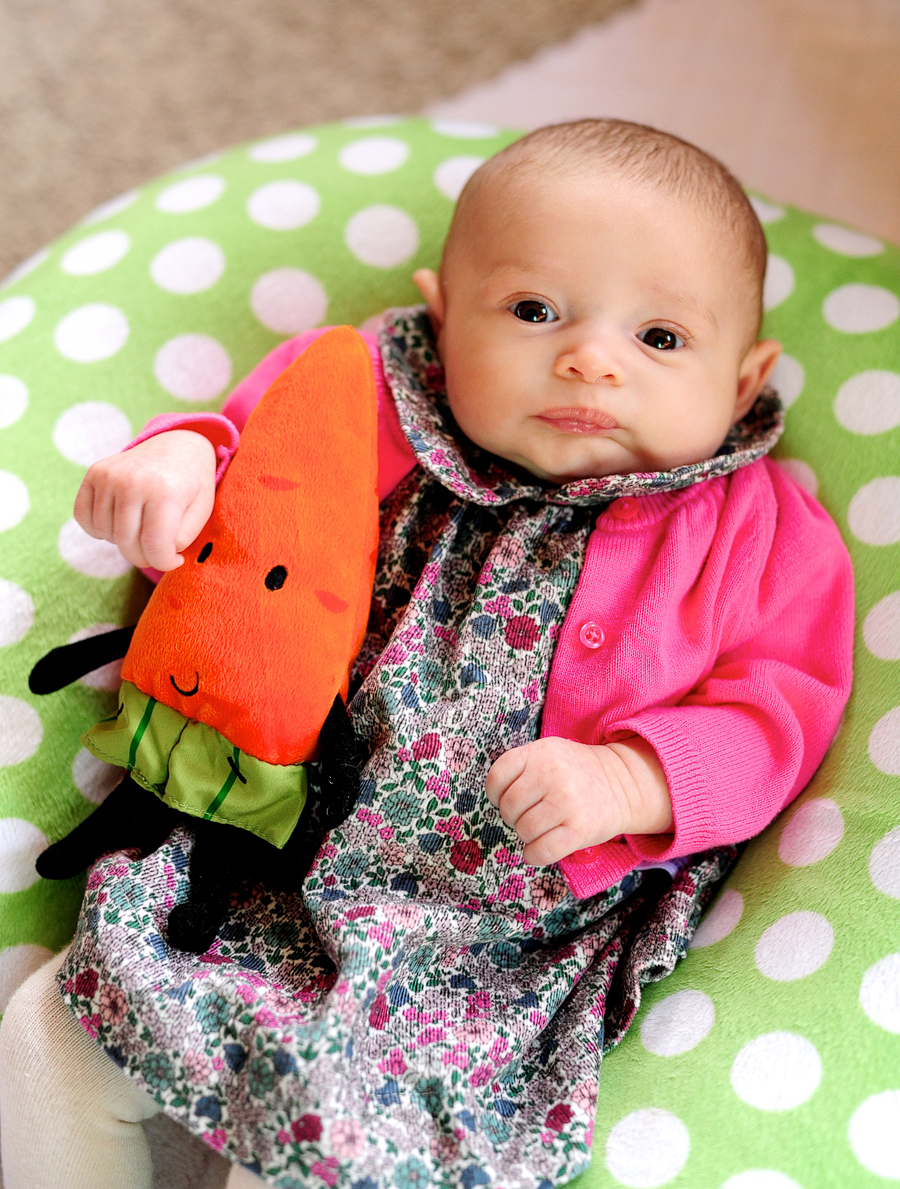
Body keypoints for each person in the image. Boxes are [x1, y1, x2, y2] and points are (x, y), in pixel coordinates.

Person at [0, 119, 854, 1189]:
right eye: (535, 311)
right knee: (52, 1034)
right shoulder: (371, 390)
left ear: (743, 378)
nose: (591, 358)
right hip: (271, 848)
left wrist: (631, 776)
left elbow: (780, 708)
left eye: (662, 339)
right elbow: (253, 464)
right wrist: (175, 465)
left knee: (331, 1145)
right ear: (443, 318)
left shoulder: (757, 529)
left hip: (493, 934)